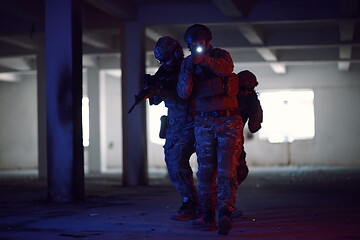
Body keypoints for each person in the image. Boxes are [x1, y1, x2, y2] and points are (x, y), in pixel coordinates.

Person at [177, 24, 243, 235]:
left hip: (228, 121)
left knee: (226, 170)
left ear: (208, 42)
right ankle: (208, 214)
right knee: (205, 172)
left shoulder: (220, 56)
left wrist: (204, 60)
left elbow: (227, 69)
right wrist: (189, 69)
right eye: (192, 45)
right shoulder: (188, 63)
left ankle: (225, 211)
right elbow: (183, 93)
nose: (196, 47)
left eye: (200, 44)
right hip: (204, 122)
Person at [148, 36, 198, 221]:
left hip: (197, 121)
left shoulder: (189, 67)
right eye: (161, 60)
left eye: (166, 58)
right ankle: (190, 202)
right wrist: (152, 88)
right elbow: (155, 101)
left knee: (212, 167)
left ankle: (217, 205)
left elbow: (185, 96)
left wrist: (161, 90)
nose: (164, 63)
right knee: (174, 163)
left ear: (176, 53)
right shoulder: (163, 71)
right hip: (176, 122)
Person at [232, 70, 263, 218]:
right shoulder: (226, 96)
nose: (245, 93)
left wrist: (255, 108)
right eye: (242, 89)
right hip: (214, 141)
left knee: (240, 172)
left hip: (235, 143)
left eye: (249, 90)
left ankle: (225, 203)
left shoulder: (250, 100)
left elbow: (254, 127)